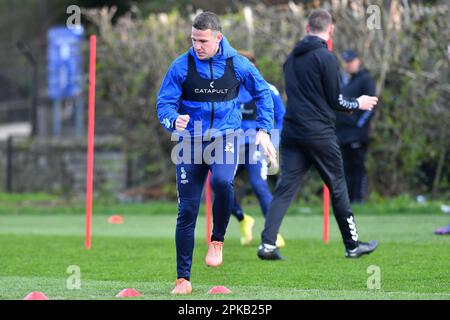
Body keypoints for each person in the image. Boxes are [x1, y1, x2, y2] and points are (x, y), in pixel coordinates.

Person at [156, 12, 276, 294]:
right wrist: (173, 120)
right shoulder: (181, 66)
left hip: (226, 137)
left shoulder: (238, 64)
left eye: (203, 40)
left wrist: (263, 129)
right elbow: (164, 104)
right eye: (194, 39)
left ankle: (217, 240)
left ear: (218, 38)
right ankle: (182, 279)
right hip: (190, 143)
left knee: (222, 182)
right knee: (187, 210)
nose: (197, 45)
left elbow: (263, 93)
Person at [257, 8, 379, 261]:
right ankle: (353, 245)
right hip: (319, 133)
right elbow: (336, 100)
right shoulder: (326, 57)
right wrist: (359, 103)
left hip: (292, 131)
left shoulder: (291, 58)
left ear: (307, 28)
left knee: (285, 188)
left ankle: (267, 245)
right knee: (337, 186)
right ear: (330, 29)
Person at [231, 51, 286, 247]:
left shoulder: (267, 89)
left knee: (258, 184)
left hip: (255, 145)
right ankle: (242, 218)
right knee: (218, 185)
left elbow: (281, 117)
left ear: (254, 67)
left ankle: (273, 232)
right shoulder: (230, 88)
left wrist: (273, 140)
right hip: (232, 145)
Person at [336, 49, 376, 203]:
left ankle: (358, 198)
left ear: (357, 61)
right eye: (346, 62)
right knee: (344, 167)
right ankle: (348, 198)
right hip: (341, 134)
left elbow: (371, 105)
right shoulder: (342, 80)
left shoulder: (365, 79)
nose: (348, 65)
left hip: (357, 134)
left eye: (351, 61)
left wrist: (358, 124)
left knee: (357, 166)